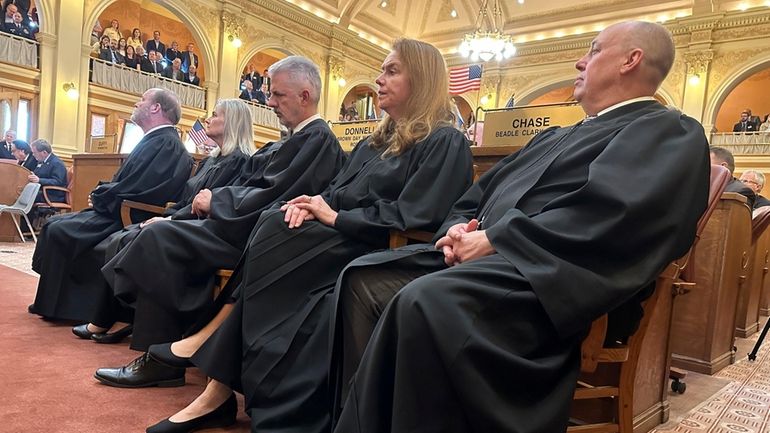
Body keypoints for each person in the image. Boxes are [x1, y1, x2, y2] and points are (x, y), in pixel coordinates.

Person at [324, 21, 711, 433]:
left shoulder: (669, 131)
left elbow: (614, 216)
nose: (580, 61)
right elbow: (474, 198)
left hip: (550, 282)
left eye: (594, 50)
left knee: (422, 301)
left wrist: (495, 239)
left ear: (630, 61)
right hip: (488, 264)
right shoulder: (554, 136)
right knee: (361, 279)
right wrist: (457, 232)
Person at [141, 38, 474, 433]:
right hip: (339, 234)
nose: (379, 80)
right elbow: (336, 192)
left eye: (392, 71)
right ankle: (216, 383)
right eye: (382, 70)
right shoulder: (374, 143)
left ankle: (216, 376)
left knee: (276, 237)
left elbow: (417, 213)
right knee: (276, 221)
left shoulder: (444, 140)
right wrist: (308, 203)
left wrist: (335, 218)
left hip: (373, 243)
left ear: (421, 79)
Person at [92, 56, 347, 391]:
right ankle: (159, 350)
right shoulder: (289, 140)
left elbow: (275, 194)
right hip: (238, 223)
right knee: (159, 234)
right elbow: (252, 184)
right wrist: (216, 199)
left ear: (305, 95)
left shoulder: (318, 140)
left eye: (278, 95)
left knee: (162, 238)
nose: (269, 103)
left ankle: (160, 362)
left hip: (253, 235)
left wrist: (218, 201)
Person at [71, 98, 257, 342]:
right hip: (182, 219)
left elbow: (208, 207)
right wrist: (167, 216)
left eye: (215, 114)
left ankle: (109, 319)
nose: (208, 119)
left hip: (205, 228)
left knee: (145, 238)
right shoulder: (211, 160)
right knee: (121, 237)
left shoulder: (241, 161)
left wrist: (168, 220)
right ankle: (122, 317)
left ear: (233, 121)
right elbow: (185, 201)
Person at [29, 88, 193, 322]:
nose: (137, 104)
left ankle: (69, 308)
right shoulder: (156, 140)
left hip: (129, 215)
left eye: (142, 99)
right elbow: (130, 182)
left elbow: (143, 190)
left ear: (156, 108)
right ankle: (55, 303)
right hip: (117, 208)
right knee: (55, 223)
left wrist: (101, 195)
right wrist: (103, 192)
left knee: (59, 230)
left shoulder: (166, 144)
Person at [27, 139, 67, 204]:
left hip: (52, 194)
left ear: (44, 153)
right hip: (42, 191)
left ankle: (23, 214)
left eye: (35, 152)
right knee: (22, 192)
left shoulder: (57, 163)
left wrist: (39, 180)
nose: (33, 155)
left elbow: (58, 181)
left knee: (26, 195)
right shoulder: (42, 161)